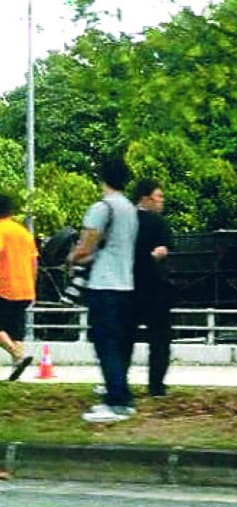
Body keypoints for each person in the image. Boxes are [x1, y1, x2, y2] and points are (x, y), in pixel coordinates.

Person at [68, 155, 138, 422]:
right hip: (125, 284)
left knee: (104, 343)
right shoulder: (129, 209)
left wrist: (71, 258)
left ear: (102, 178)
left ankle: (117, 403)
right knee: (118, 344)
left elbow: (85, 247)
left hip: (103, 284)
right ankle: (119, 396)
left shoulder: (101, 208)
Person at [131, 179, 173, 397]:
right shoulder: (159, 223)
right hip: (156, 288)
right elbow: (162, 251)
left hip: (128, 287)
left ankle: (117, 382)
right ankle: (156, 385)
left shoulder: (125, 221)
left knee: (124, 337)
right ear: (146, 198)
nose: (161, 201)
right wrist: (151, 256)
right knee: (160, 339)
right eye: (158, 196)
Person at [0, 190, 38, 381]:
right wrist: (33, 285)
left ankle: (17, 355)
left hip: (5, 287)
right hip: (25, 288)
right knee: (15, 329)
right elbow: (34, 262)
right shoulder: (23, 233)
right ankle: (18, 366)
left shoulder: (1, 230)